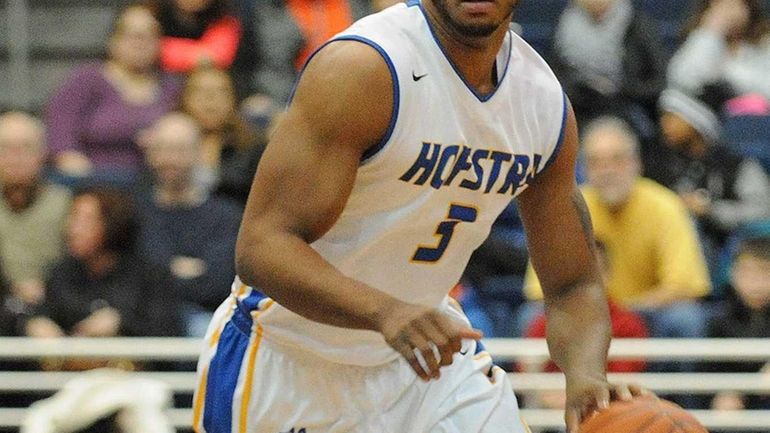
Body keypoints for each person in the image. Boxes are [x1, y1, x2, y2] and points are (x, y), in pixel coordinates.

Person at [193, 0, 645, 432]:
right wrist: (384, 312)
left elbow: (574, 285)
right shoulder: (362, 68)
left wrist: (586, 376)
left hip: (428, 367)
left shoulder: (543, 104)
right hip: (290, 359)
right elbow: (261, 248)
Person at [524, 117, 711, 340]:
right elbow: (540, 290)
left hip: (646, 313)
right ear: (583, 169)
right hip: (579, 313)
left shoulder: (665, 206)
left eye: (617, 159)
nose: (607, 170)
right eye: (596, 162)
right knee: (530, 317)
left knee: (684, 318)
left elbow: (686, 287)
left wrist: (621, 312)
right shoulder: (563, 210)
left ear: (636, 163)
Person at [45, 4, 181, 185]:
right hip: (91, 183)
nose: (140, 42)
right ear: (113, 40)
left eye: (148, 35)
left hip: (156, 185)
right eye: (132, 35)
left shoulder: (172, 87)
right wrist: (72, 162)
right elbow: (60, 128)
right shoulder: (88, 79)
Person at [24, 187, 181, 341]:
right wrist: (36, 323)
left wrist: (122, 323)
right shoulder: (61, 272)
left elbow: (167, 332)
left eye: (87, 220)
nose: (73, 229)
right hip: (71, 364)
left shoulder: (150, 274)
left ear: (114, 224)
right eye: (73, 217)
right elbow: (41, 313)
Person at [137, 113, 242, 337]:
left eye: (179, 150)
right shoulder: (133, 212)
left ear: (198, 153)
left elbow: (218, 283)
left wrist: (164, 269)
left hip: (205, 318)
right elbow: (135, 282)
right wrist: (187, 269)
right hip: (142, 319)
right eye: (161, 149)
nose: (169, 159)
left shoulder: (225, 216)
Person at [657, 88, 770, 261]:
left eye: (672, 117)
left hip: (728, 251)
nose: (664, 124)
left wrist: (710, 210)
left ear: (695, 121)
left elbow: (761, 210)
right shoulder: (664, 161)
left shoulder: (736, 164)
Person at [550, 0, 668, 131]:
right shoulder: (565, 26)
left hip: (627, 109)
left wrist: (625, 90)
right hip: (580, 109)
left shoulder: (637, 24)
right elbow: (555, 78)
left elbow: (658, 81)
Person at [0, 112, 71, 329]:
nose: (15, 157)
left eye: (25, 148)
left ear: (43, 153)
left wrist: (48, 290)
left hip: (57, 310)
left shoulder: (69, 205)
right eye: (6, 148)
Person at [705, 232, 770, 421]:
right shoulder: (718, 320)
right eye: (747, 272)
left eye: (765, 272)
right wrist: (723, 392)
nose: (755, 282)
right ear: (733, 274)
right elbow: (711, 370)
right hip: (731, 406)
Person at [179, 66, 266, 205]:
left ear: (233, 99)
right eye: (200, 91)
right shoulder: (168, 144)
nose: (210, 100)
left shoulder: (253, 148)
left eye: (221, 92)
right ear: (185, 99)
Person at [667, 0, 770, 100]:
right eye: (722, 6)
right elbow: (682, 80)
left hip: (752, 114)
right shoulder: (700, 39)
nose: (728, 14)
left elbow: (766, 88)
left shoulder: (764, 42)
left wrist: (723, 76)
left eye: (734, 5)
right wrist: (712, 30)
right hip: (707, 111)